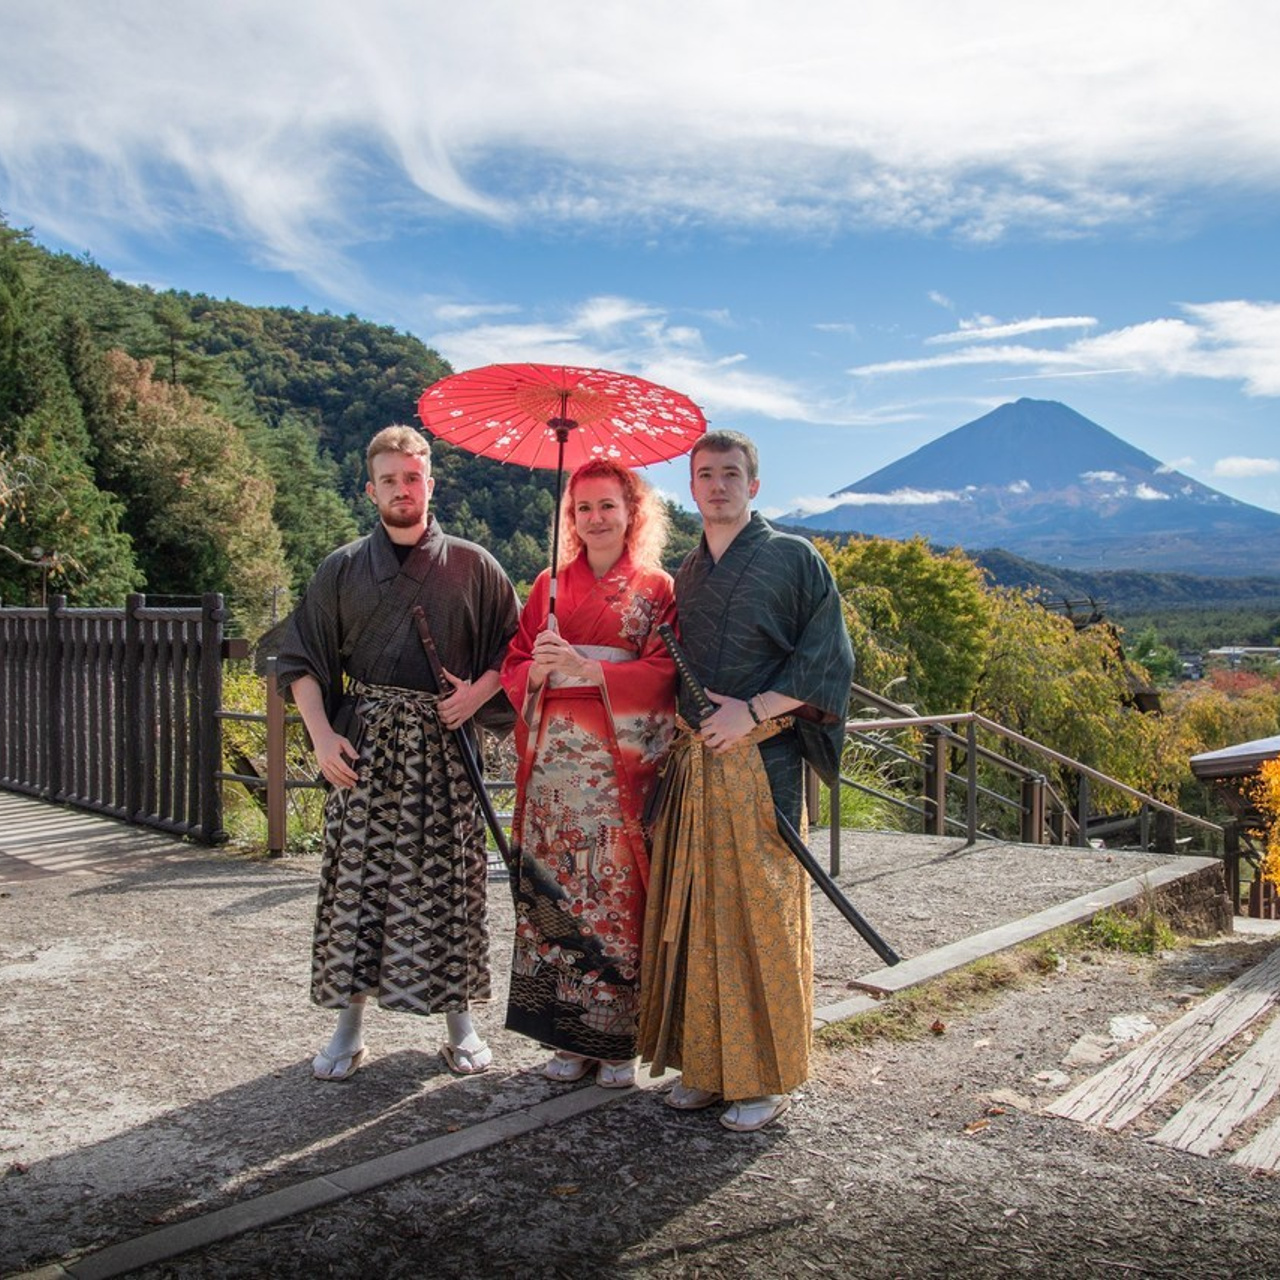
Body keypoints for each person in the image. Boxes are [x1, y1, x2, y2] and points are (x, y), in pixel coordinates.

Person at [276, 424, 520, 1081]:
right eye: (389, 479)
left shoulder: (475, 565)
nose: (402, 489)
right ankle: (348, 1026)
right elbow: (299, 657)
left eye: (413, 478)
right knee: (357, 886)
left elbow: (516, 651)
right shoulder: (343, 568)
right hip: (363, 747)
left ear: (430, 483)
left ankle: (459, 1023)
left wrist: (478, 695)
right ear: (370, 488)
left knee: (449, 883)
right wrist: (323, 737)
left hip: (445, 750)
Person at [637, 429, 855, 1132]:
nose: (719, 485)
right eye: (705, 475)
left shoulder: (795, 559)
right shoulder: (688, 574)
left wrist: (754, 710)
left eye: (732, 474)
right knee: (701, 910)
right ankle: (706, 1066)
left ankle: (765, 1074)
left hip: (768, 759)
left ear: (754, 485)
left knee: (761, 914)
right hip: (701, 760)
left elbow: (830, 658)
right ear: (692, 488)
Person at [500, 459, 677, 1089]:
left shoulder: (657, 589)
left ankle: (615, 1041)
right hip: (554, 766)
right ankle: (563, 1036)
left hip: (614, 766)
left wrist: (591, 668)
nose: (596, 519)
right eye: (583, 509)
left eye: (608, 506)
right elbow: (513, 663)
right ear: (569, 517)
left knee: (612, 895)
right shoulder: (549, 584)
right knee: (556, 895)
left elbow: (663, 674)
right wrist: (538, 670)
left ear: (632, 512)